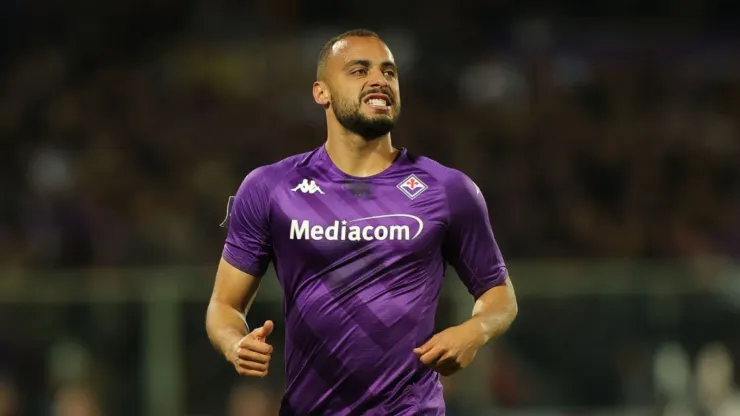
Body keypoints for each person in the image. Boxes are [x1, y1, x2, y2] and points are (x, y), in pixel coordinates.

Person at [206, 28, 518, 415]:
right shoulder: (271, 188)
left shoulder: (448, 189)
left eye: (389, 72)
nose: (379, 80)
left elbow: (499, 295)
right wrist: (235, 342)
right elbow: (224, 304)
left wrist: (475, 331)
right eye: (359, 70)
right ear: (321, 92)